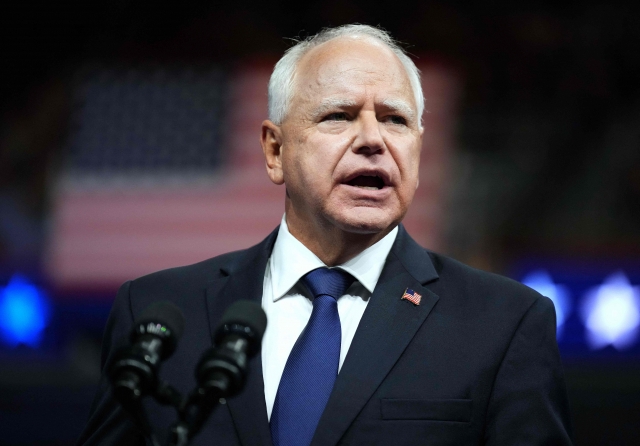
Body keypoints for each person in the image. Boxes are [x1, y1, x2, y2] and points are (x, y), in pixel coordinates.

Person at [78, 24, 574, 446]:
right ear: (274, 151)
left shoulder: (504, 324)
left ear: (419, 153)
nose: (373, 140)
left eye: (395, 120)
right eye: (338, 116)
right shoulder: (157, 310)